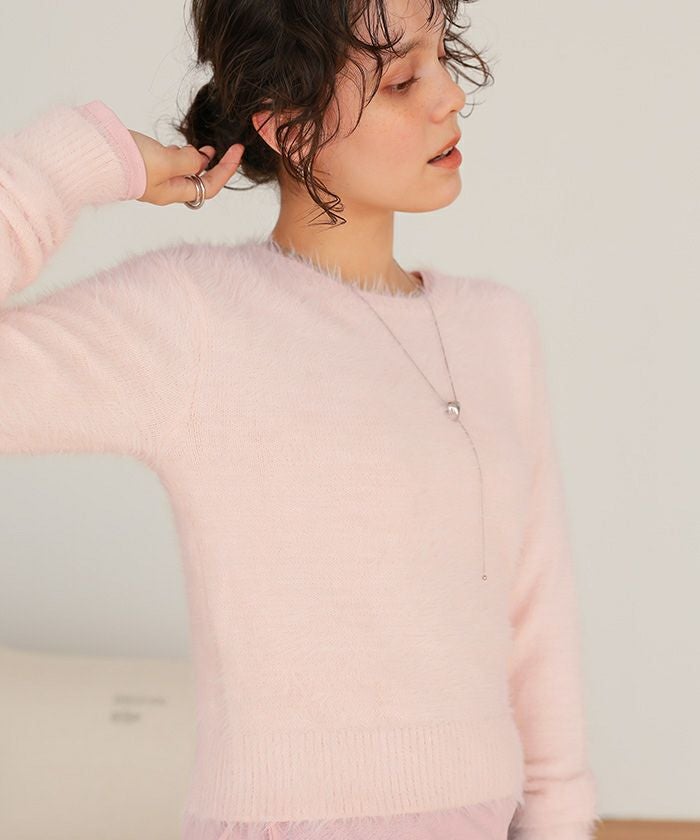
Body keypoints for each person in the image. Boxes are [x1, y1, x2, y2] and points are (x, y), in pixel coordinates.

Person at [0, 0, 601, 838]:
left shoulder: (497, 330)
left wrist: (561, 820)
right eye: (401, 79)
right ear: (290, 129)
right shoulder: (197, 320)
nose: (450, 96)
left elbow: (537, 624)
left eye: (443, 56)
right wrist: (77, 162)